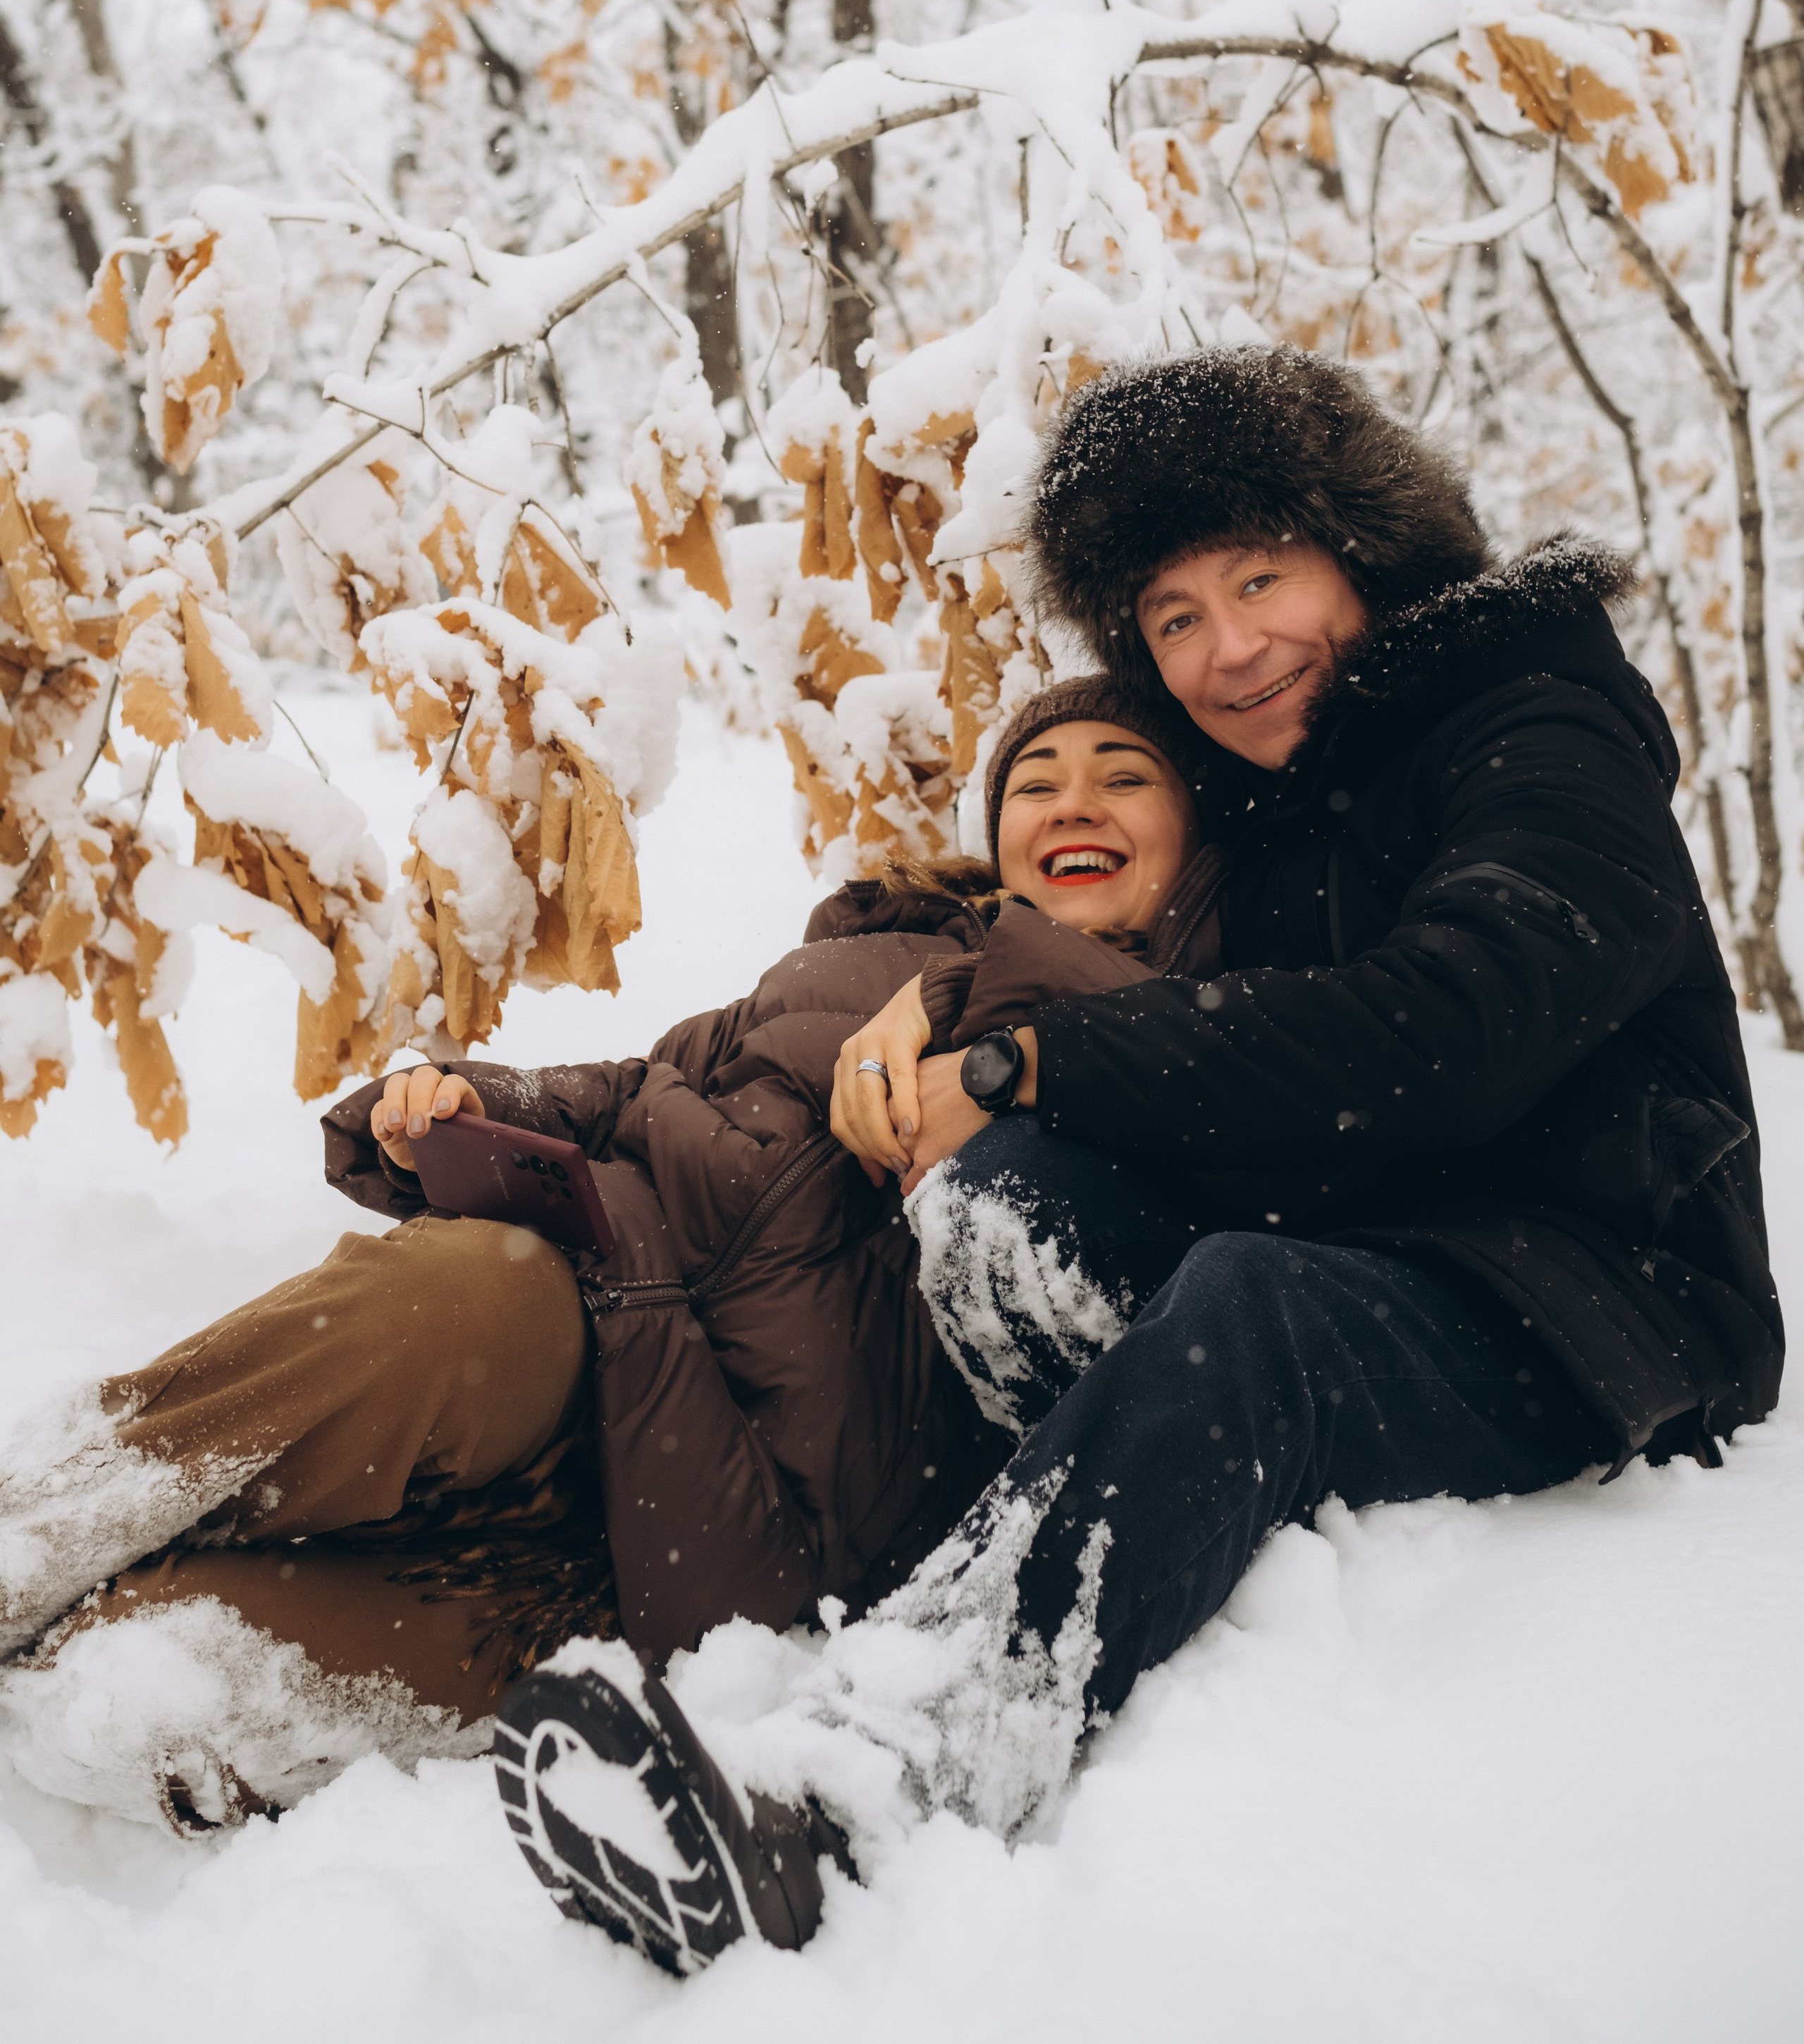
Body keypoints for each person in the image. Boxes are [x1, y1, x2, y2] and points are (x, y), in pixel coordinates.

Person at [495, 343, 1783, 1976]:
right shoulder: (1276, 790)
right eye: (1171, 619)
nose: (1226, 649)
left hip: (1591, 1295)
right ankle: (1082, 1533)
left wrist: (1027, 1054)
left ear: (1364, 553)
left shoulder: (1531, 726)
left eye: (1259, 579)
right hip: (1378, 1249)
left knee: (1246, 1305)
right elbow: (1101, 939)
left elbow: (1446, 1028)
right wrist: (943, 1005)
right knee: (997, 1195)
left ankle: (855, 1799)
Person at [0, 681, 1216, 1836]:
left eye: (1124, 778)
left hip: (696, 1553)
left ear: (1205, 833)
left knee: (133, 1688)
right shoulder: (865, 959)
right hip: (588, 1324)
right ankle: (29, 1533)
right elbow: (647, 1087)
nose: (1073, 805)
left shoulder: (1223, 1053)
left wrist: (967, 995)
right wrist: (474, 1106)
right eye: (1036, 783)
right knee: (448, 1300)